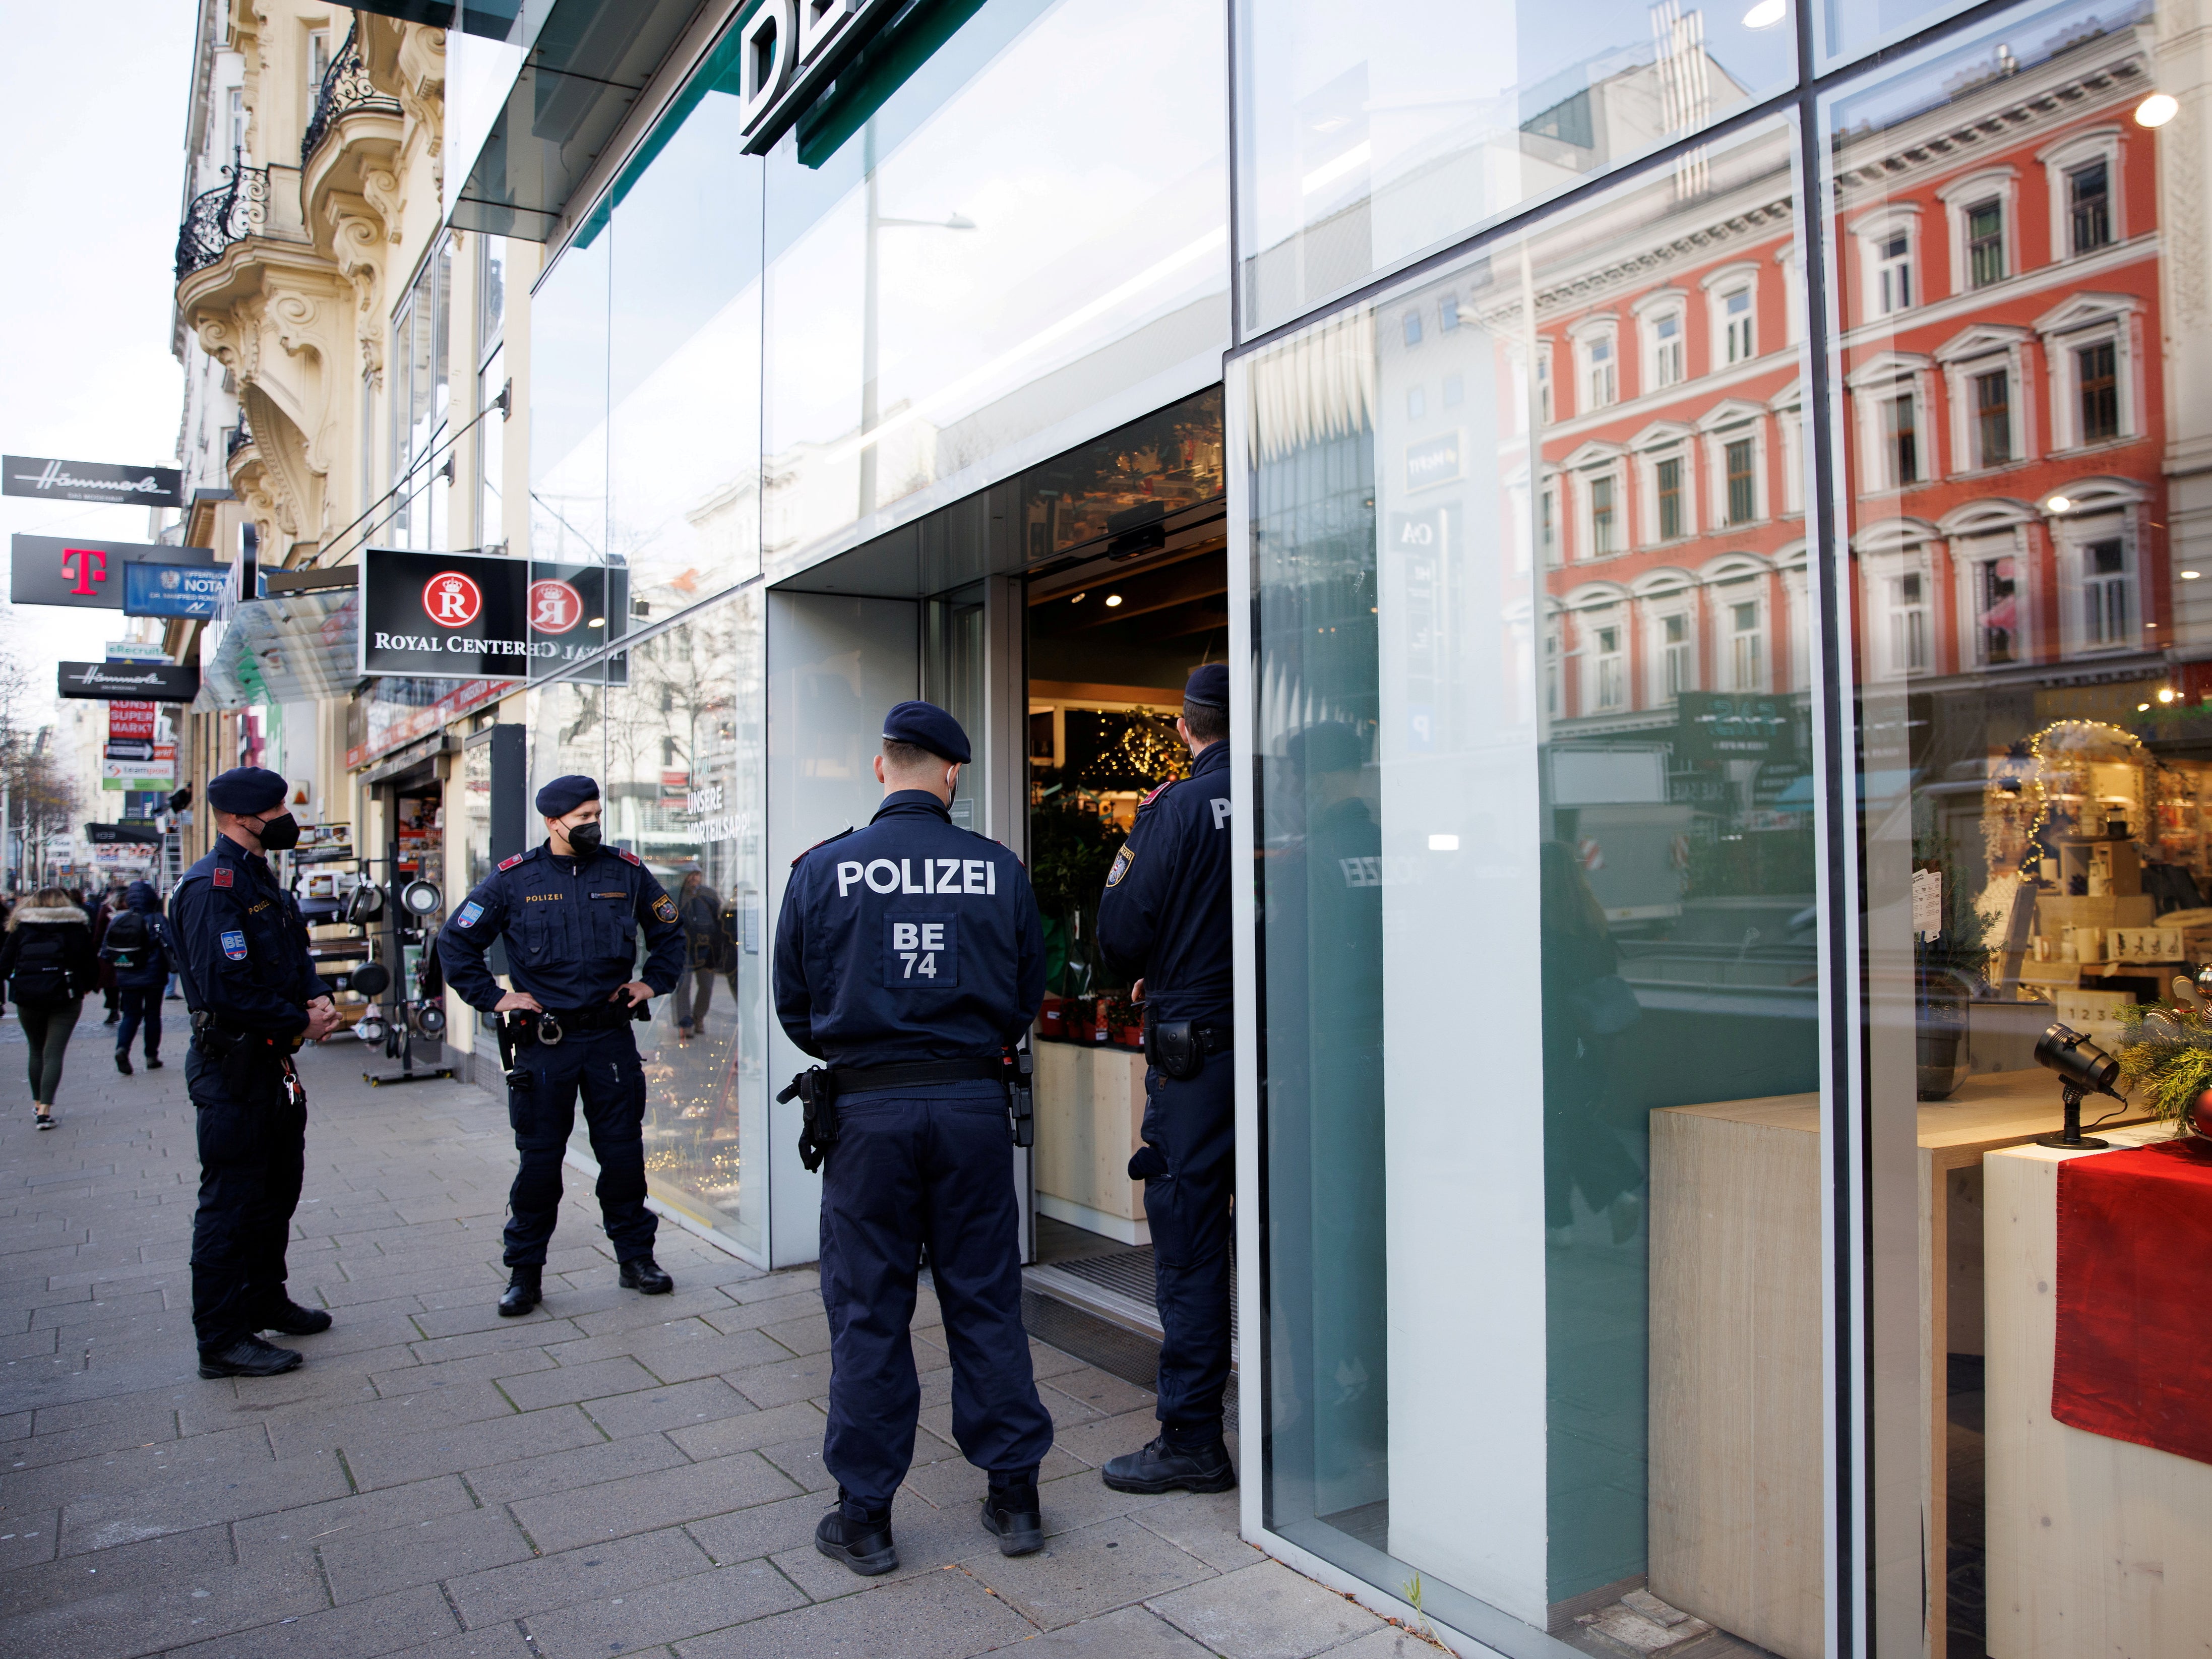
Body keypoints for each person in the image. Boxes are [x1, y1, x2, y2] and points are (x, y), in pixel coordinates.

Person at [774, 700, 1054, 1577]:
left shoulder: (821, 870)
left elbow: (794, 1004)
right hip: (972, 1108)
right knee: (984, 1298)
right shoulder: (997, 869)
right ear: (952, 774)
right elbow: (1024, 995)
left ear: (879, 766)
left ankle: (865, 1518)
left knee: (868, 1309)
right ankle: (1014, 1498)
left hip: (868, 1116)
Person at [437, 775, 686, 1317]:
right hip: (544, 1043)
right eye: (583, 818)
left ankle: (635, 1259)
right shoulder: (512, 881)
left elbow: (670, 930)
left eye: (598, 813)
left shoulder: (626, 871)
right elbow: (456, 940)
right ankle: (524, 1273)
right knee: (540, 1165)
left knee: (621, 1158)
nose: (594, 825)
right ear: (553, 824)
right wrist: (495, 999)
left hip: (609, 1040)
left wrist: (652, 982)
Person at [1094, 662, 1237, 1496]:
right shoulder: (1298, 801)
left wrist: (1169, 966)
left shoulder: (1175, 808)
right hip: (1295, 1058)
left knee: (1187, 1242)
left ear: (1186, 728)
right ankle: (1310, 1418)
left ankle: (1191, 1437)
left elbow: (1120, 931)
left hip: (1200, 1063)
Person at [169, 767, 342, 1379]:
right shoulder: (213, 888)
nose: (286, 817)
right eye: (276, 808)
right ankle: (221, 1338)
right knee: (231, 1205)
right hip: (233, 1068)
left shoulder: (260, 879)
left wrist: (316, 996)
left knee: (276, 1192)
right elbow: (227, 988)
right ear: (242, 818)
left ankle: (265, 1299)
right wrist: (303, 1020)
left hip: (274, 1064)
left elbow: (293, 957)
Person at [0, 887, 98, 1128]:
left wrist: (18, 981)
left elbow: (4, 963)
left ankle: (36, 1104)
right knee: (54, 1052)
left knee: (35, 1050)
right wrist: (86, 986)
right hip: (65, 996)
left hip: (27, 997)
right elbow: (88, 961)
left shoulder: (22, 927)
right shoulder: (75, 927)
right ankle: (45, 1110)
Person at [106, 879, 173, 1075]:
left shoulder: (119, 920)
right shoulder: (157, 919)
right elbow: (171, 942)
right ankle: (151, 1056)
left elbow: (106, 951)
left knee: (131, 1015)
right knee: (153, 1015)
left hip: (127, 975)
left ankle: (122, 1048)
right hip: (154, 976)